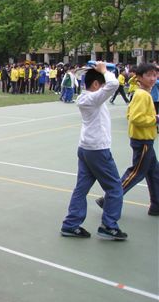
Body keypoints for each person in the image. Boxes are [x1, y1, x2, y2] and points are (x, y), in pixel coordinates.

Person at [60, 62, 127, 240]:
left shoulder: (86, 98)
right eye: (101, 85)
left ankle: (71, 224)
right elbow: (114, 84)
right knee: (115, 188)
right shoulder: (93, 99)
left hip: (86, 148)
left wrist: (101, 71)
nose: (104, 88)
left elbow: (109, 86)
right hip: (97, 150)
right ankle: (109, 226)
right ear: (96, 85)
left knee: (81, 188)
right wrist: (104, 70)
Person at [96, 63, 159, 217]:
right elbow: (136, 118)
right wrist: (155, 119)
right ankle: (109, 199)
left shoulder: (141, 93)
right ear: (140, 77)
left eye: (155, 75)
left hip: (145, 140)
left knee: (154, 173)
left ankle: (156, 205)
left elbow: (130, 114)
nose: (153, 78)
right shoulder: (142, 95)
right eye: (149, 75)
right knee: (135, 173)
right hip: (143, 140)